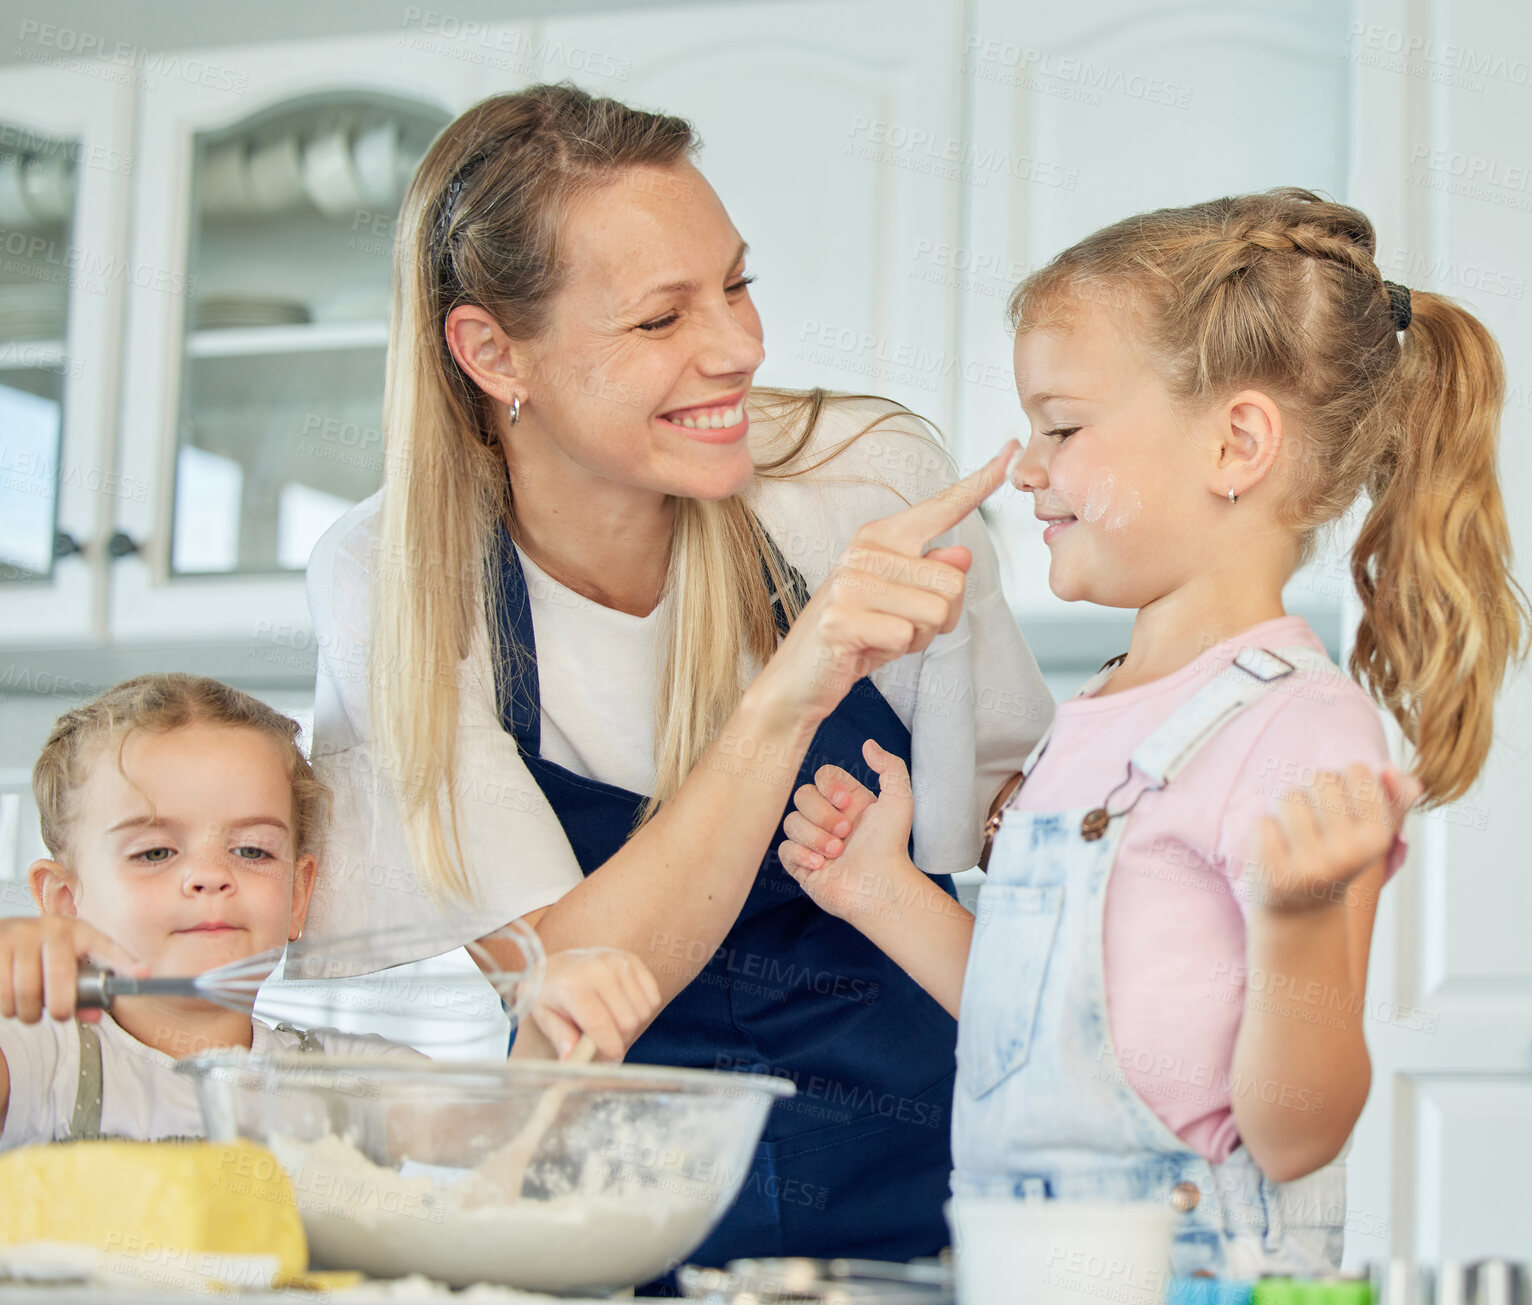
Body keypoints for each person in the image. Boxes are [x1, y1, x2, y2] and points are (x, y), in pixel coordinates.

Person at [304, 83, 1052, 1266]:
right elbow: (582, 991)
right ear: (493, 351)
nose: (739, 348)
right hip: (604, 1233)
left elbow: (1026, 839)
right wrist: (790, 689)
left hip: (927, 1208)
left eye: (736, 285)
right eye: (660, 320)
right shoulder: (394, 582)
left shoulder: (858, 480)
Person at [780, 188, 1529, 1274]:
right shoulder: (1096, 712)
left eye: (1063, 427)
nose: (1027, 468)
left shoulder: (1298, 730)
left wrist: (1301, 920)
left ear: (1235, 444)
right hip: (1026, 1262)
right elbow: (1042, 1027)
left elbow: (1296, 1131)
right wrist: (880, 891)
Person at [0, 673, 661, 1147]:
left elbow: (497, 1129)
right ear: (64, 902)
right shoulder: (39, 1062)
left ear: (300, 895)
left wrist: (553, 1019)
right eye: (154, 852)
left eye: (252, 849)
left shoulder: (339, 1079)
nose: (210, 875)